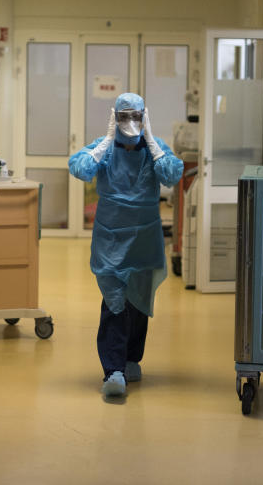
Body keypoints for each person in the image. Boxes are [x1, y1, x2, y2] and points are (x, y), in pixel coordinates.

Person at [69, 93, 184, 397]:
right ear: (114, 117)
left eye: (136, 116)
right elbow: (79, 169)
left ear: (144, 116)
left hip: (144, 241)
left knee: (138, 303)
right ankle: (113, 369)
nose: (129, 123)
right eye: (124, 116)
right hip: (112, 241)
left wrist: (152, 142)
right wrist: (106, 142)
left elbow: (172, 174)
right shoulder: (104, 148)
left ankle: (131, 359)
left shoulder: (153, 149)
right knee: (115, 302)